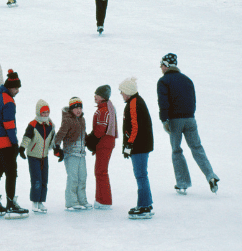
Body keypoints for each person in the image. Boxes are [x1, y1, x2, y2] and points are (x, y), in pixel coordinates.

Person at [157, 53, 220, 194]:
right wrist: (190, 115)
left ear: (166, 65)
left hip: (175, 120)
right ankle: (211, 175)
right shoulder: (187, 80)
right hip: (190, 119)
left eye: (161, 64)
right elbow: (193, 100)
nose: (160, 68)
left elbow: (163, 102)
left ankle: (182, 182)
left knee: (176, 150)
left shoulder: (164, 81)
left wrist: (164, 120)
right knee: (197, 148)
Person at [0, 70, 28, 219]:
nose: (17, 91)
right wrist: (14, 143)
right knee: (11, 173)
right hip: (5, 144)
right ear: (10, 87)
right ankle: (11, 204)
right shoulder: (8, 101)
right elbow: (9, 124)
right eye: (16, 88)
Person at [119, 77, 154, 219]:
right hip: (141, 145)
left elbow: (135, 126)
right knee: (142, 174)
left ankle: (144, 206)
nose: (121, 94)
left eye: (122, 92)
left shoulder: (134, 103)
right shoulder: (135, 101)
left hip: (139, 146)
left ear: (128, 92)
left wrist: (129, 144)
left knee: (141, 175)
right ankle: (146, 203)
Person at [19, 100, 57, 214]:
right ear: (38, 112)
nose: (45, 115)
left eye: (47, 112)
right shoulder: (33, 124)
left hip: (44, 157)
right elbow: (27, 137)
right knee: (36, 180)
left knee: (44, 179)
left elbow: (52, 140)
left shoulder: (51, 125)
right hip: (33, 156)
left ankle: (41, 201)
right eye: (43, 112)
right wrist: (22, 148)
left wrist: (56, 150)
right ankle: (35, 201)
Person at [55, 97, 90, 210]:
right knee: (73, 177)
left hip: (81, 153)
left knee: (82, 177)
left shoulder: (82, 120)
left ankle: (82, 200)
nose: (78, 110)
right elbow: (60, 134)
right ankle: (71, 202)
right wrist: (56, 146)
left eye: (80, 108)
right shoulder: (68, 120)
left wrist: (90, 141)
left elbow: (83, 134)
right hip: (70, 153)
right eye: (76, 108)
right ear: (71, 109)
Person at [86, 84, 117, 209]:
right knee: (100, 171)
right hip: (105, 143)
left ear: (102, 97)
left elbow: (100, 130)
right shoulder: (106, 108)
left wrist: (89, 139)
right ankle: (100, 198)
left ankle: (104, 200)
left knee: (101, 171)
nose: (95, 96)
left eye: (97, 94)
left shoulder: (103, 110)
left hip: (104, 143)